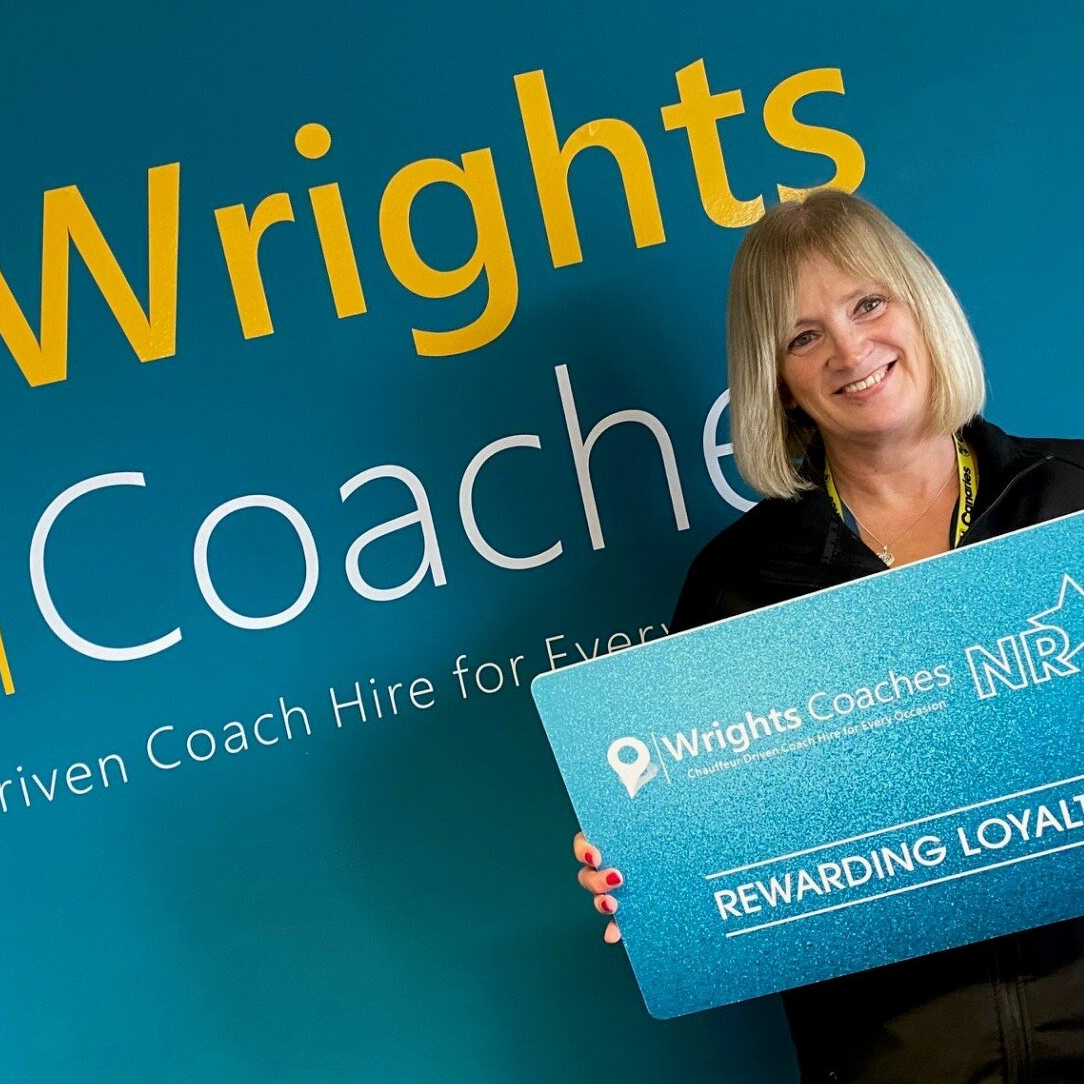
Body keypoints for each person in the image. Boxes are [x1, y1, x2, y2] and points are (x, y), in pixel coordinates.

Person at [573, 188, 1084, 1084]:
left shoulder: (1074, 496)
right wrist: (650, 870)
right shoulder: (736, 586)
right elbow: (720, 854)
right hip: (903, 1060)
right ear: (777, 380)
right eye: (803, 337)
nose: (850, 351)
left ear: (922, 307)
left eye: (869, 304)